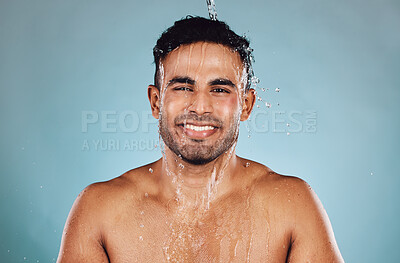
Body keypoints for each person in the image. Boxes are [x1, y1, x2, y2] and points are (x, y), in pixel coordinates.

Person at [57, 16, 344, 262]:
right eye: (183, 87)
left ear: (246, 105)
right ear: (156, 101)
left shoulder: (291, 205)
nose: (200, 107)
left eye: (219, 90)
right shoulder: (100, 209)